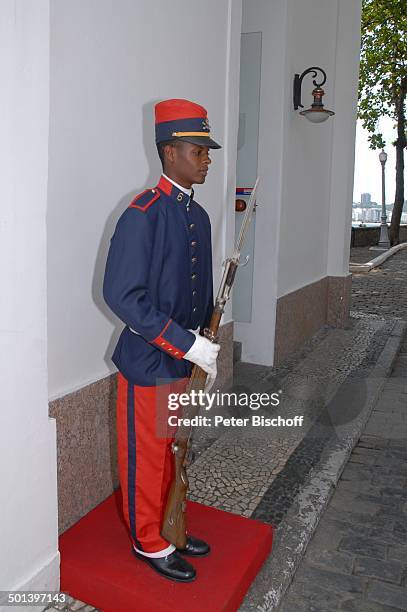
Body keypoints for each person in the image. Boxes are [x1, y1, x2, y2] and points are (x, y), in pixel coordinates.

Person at [103, 98, 221, 582]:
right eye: (199, 150)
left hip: (182, 362)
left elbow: (199, 291)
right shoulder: (143, 213)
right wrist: (184, 343)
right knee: (147, 457)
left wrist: (204, 346)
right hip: (150, 362)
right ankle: (147, 540)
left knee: (177, 450)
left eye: (207, 151)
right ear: (170, 152)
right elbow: (123, 295)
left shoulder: (199, 217)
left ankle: (171, 527)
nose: (207, 158)